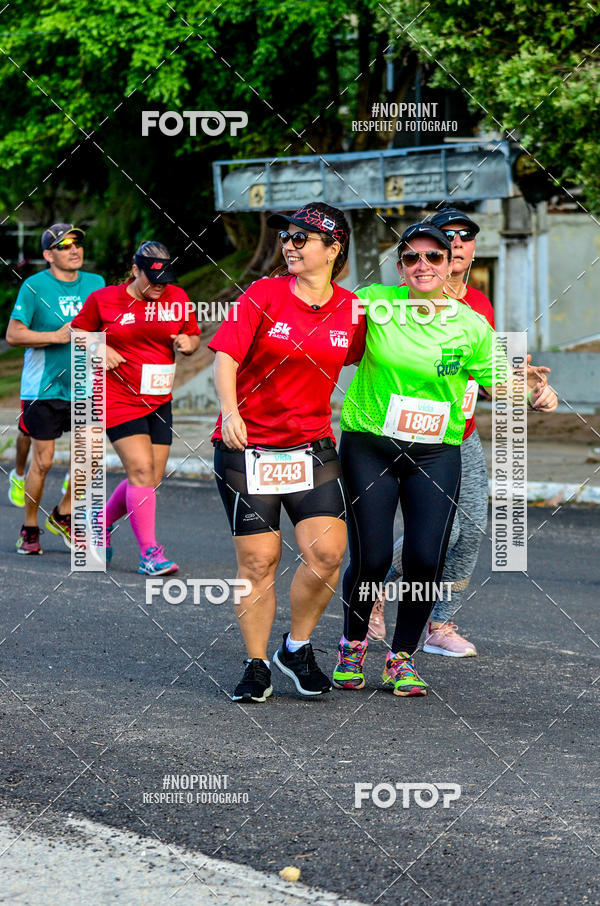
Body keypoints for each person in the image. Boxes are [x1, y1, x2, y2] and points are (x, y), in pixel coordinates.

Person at [333, 221, 556, 698]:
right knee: (371, 558)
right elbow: (323, 321)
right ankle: (352, 646)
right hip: (370, 445)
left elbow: (499, 382)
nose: (422, 265)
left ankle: (402, 658)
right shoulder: (375, 302)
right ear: (400, 267)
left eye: (433, 257)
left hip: (435, 452)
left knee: (424, 556)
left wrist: (535, 392)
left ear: (448, 263)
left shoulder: (471, 323)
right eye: (412, 258)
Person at [209, 202, 365, 703]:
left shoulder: (351, 308)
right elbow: (226, 356)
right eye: (286, 237)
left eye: (303, 238)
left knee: (327, 554)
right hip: (247, 447)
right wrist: (230, 412)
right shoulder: (263, 293)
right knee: (260, 560)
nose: (290, 245)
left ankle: (295, 649)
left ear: (333, 248)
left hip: (313, 446)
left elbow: (387, 357)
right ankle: (256, 664)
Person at [71, 240, 200, 575]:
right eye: (152, 279)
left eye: (165, 279)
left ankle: (98, 520)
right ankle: (150, 554)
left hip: (159, 400)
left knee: (149, 478)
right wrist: (99, 349)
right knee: (141, 471)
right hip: (117, 397)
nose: (160, 286)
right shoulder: (104, 299)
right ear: (135, 270)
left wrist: (188, 343)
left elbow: (192, 335)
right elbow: (77, 332)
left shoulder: (178, 298)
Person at [5, 223, 105, 553]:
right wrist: (56, 336)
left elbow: (105, 328)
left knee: (91, 458)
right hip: (43, 389)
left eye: (77, 243)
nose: (74, 249)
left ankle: (62, 513)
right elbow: (14, 335)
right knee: (44, 462)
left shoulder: (96, 284)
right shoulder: (34, 287)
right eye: (65, 246)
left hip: (84, 385)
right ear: (48, 255)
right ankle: (29, 527)